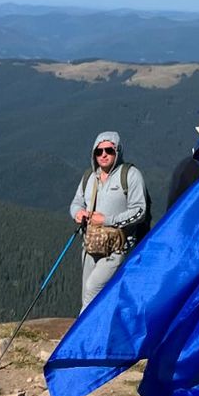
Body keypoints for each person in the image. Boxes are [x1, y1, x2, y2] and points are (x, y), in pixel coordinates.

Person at [70, 131, 148, 311]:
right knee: (89, 295)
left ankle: (84, 336)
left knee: (92, 289)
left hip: (116, 249)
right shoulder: (89, 177)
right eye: (99, 151)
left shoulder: (130, 175)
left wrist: (108, 220)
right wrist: (77, 212)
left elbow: (140, 211)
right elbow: (76, 202)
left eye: (109, 151)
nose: (103, 155)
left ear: (117, 151)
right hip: (90, 246)